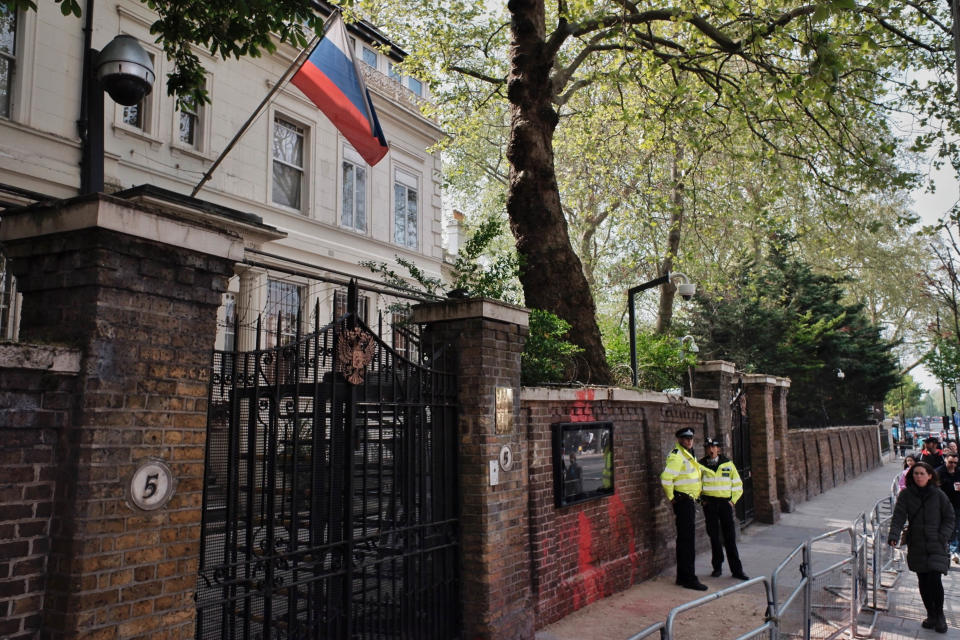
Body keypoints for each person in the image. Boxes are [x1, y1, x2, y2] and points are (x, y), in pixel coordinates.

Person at [887, 461, 956, 634]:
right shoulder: (906, 495)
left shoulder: (939, 495)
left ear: (930, 475)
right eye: (915, 473)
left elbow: (949, 517)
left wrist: (943, 536)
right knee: (923, 581)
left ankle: (940, 616)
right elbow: (898, 517)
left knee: (935, 579)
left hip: (936, 543)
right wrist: (894, 535)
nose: (918, 476)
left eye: (922, 473)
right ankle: (930, 614)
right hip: (916, 542)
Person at [660, 427, 707, 591]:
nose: (689, 441)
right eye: (685, 438)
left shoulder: (688, 454)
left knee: (684, 540)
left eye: (690, 438)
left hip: (689, 501)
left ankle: (682, 576)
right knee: (687, 542)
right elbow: (666, 478)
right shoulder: (677, 455)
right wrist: (672, 498)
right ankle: (689, 578)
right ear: (679, 439)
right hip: (683, 502)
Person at [698, 437, 749, 580]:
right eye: (708, 447)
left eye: (713, 447)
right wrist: (702, 501)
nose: (711, 450)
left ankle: (737, 570)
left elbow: (738, 485)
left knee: (730, 538)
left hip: (725, 504)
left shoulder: (728, 464)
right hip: (709, 504)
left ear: (718, 449)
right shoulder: (700, 465)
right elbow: (695, 486)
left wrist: (732, 501)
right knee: (714, 537)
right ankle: (717, 567)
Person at [935, 451, 960, 563]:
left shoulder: (958, 472)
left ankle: (953, 551)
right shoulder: (939, 472)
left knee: (956, 529)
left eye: (955, 463)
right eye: (951, 462)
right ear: (945, 460)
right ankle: (948, 552)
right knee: (946, 530)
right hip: (943, 506)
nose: (953, 465)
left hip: (957, 505)